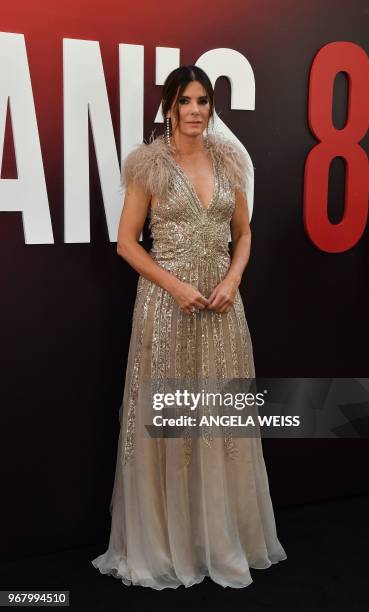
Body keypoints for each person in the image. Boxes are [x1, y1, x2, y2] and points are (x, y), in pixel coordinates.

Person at [91, 65, 287, 589]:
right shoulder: (148, 167)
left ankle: (218, 540)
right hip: (166, 312)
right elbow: (127, 243)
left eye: (203, 101)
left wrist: (232, 279)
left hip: (223, 311)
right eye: (186, 101)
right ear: (170, 108)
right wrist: (175, 286)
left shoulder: (231, 164)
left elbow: (243, 234)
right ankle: (165, 545)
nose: (196, 110)